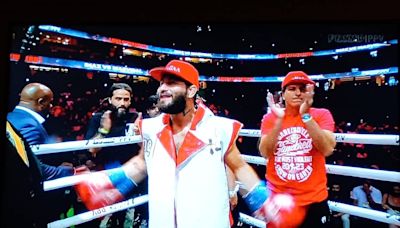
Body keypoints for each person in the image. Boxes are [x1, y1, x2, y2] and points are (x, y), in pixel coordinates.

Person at [75, 60, 295, 228]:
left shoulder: (220, 128)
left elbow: (239, 166)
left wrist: (263, 202)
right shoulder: (150, 128)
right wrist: (107, 185)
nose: (162, 88)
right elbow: (141, 164)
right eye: (161, 83)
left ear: (191, 91)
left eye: (171, 83)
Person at [258, 71, 337, 227]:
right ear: (283, 94)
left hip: (313, 201)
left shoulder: (322, 115)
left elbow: (327, 149)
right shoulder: (271, 118)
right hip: (280, 201)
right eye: (292, 88)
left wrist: (306, 116)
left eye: (302, 89)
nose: (298, 93)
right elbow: (265, 152)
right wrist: (279, 120)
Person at [84, 82, 145, 227]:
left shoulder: (135, 117)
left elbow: (144, 148)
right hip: (108, 172)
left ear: (130, 100)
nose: (122, 103)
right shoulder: (99, 118)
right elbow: (91, 149)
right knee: (104, 218)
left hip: (132, 174)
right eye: (118, 99)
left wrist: (139, 133)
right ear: (110, 100)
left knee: (129, 217)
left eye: (126, 99)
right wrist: (104, 130)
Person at [7, 82, 75, 179]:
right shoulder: (28, 125)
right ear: (41, 102)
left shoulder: (10, 116)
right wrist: (67, 171)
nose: (51, 106)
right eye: (50, 102)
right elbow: (32, 167)